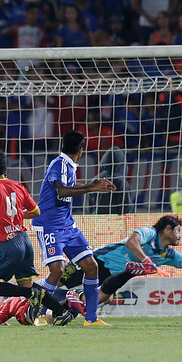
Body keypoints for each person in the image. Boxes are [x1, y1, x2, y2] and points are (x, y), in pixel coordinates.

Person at [59, 215, 182, 307]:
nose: (180, 236)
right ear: (168, 229)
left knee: (102, 299)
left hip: (109, 275)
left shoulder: (167, 255)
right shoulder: (149, 232)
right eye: (178, 231)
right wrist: (147, 262)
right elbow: (131, 242)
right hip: (96, 260)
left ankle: (58, 311)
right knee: (56, 283)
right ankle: (33, 298)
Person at [0, 150, 73, 326]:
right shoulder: (18, 186)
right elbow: (36, 211)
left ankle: (31, 296)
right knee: (27, 285)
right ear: (6, 169)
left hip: (10, 245)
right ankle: (59, 311)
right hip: (25, 241)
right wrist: (16, 217)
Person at [32, 130, 117, 326]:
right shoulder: (59, 164)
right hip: (50, 226)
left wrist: (92, 185)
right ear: (81, 150)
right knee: (57, 270)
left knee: (91, 265)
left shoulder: (68, 165)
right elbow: (62, 191)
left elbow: (68, 185)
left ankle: (91, 319)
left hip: (67, 226)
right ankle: (40, 315)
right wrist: (91, 187)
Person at [85, 146, 134, 215]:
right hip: (116, 223)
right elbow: (127, 208)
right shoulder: (120, 181)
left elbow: (89, 207)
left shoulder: (95, 180)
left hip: (97, 222)